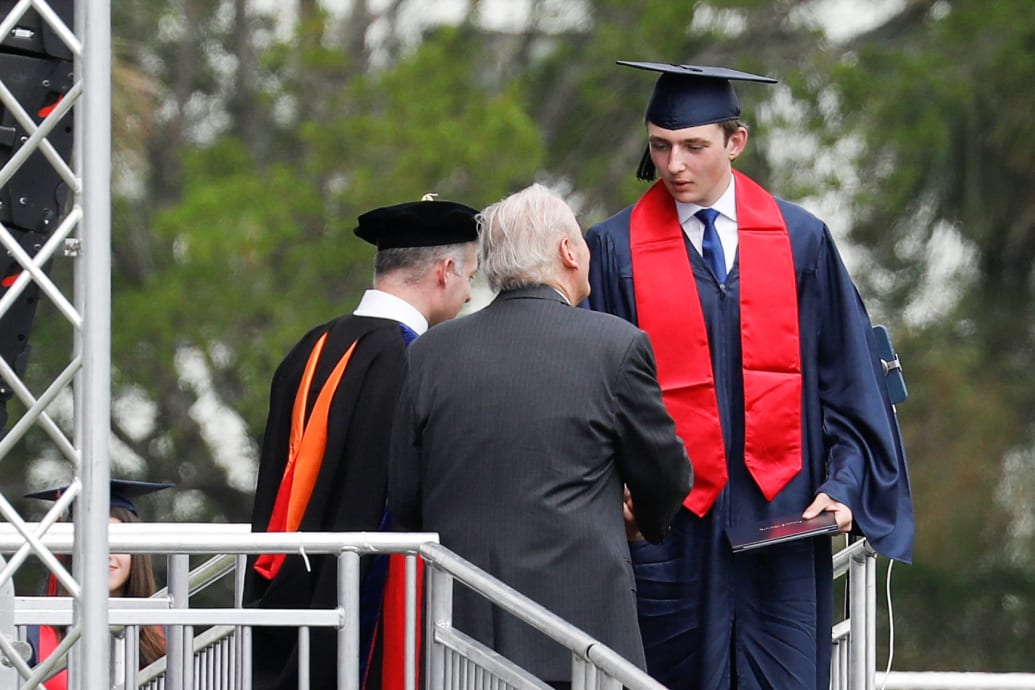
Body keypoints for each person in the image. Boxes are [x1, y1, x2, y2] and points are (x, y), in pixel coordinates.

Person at [581, 60, 915, 689]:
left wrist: (843, 486)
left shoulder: (801, 239)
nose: (674, 164)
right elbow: (592, 395)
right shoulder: (614, 248)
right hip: (667, 533)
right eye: (660, 146)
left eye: (692, 146)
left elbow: (846, 380)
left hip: (781, 523)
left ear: (735, 143)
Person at [388, 183, 692, 687]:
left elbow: (404, 497)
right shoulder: (615, 346)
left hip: (460, 642)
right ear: (568, 252)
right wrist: (643, 521)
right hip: (581, 645)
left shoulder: (430, 353)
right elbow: (666, 475)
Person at [243, 197, 480, 690]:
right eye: (470, 277)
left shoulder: (311, 346)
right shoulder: (415, 361)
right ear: (445, 270)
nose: (470, 295)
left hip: (288, 590)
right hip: (369, 611)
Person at [23, 479, 172, 690]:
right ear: (70, 554)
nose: (106, 554)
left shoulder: (166, 635)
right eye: (94, 542)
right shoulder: (33, 636)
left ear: (137, 554)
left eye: (117, 543)